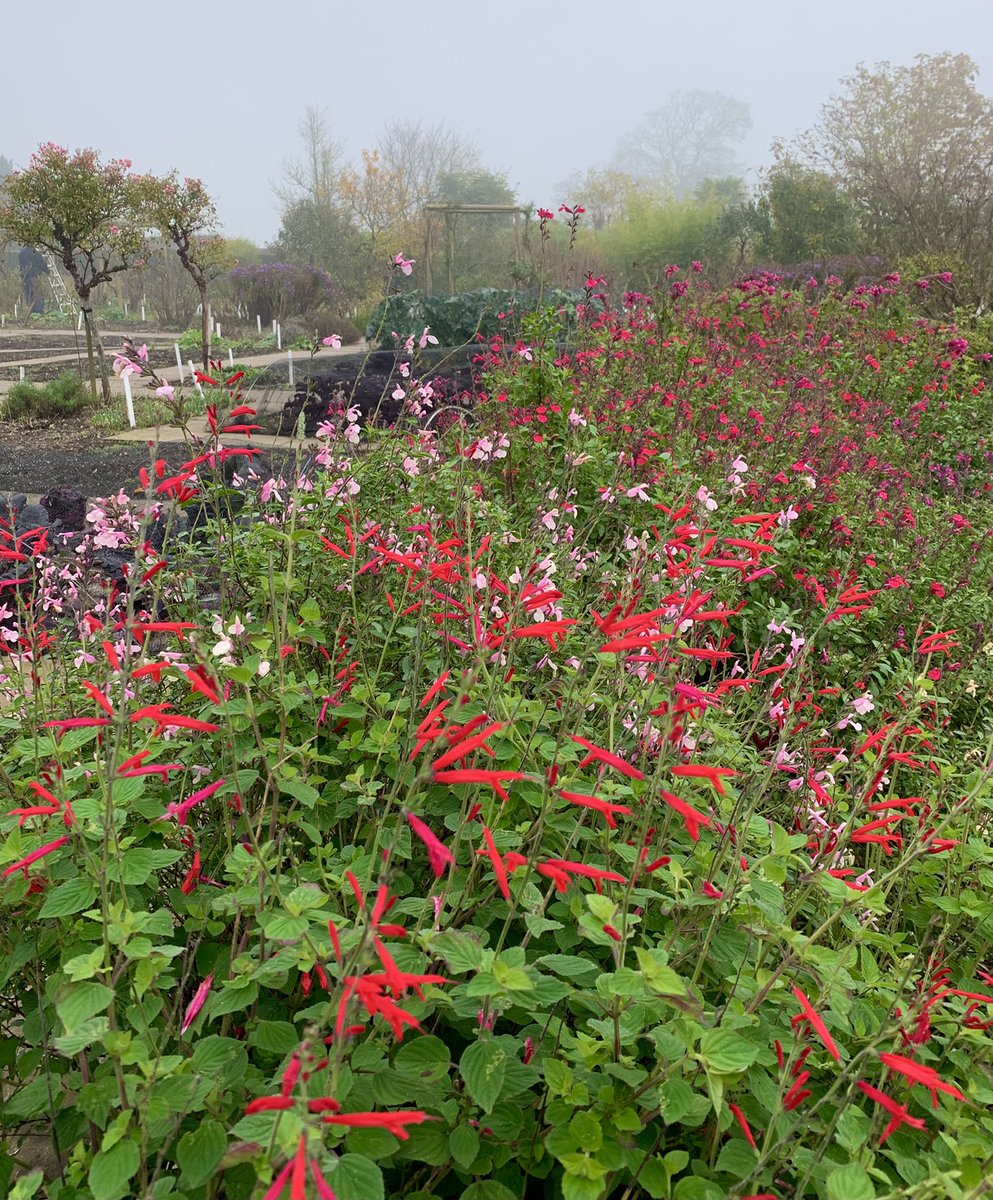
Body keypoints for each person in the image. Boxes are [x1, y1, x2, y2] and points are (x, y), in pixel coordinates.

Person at [18, 245, 48, 315]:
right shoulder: (36, 253)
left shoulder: (21, 253)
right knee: (38, 293)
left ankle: (31, 310)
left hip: (24, 275)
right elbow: (41, 264)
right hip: (34, 275)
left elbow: (21, 264)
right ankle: (38, 311)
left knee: (28, 292)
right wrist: (47, 271)